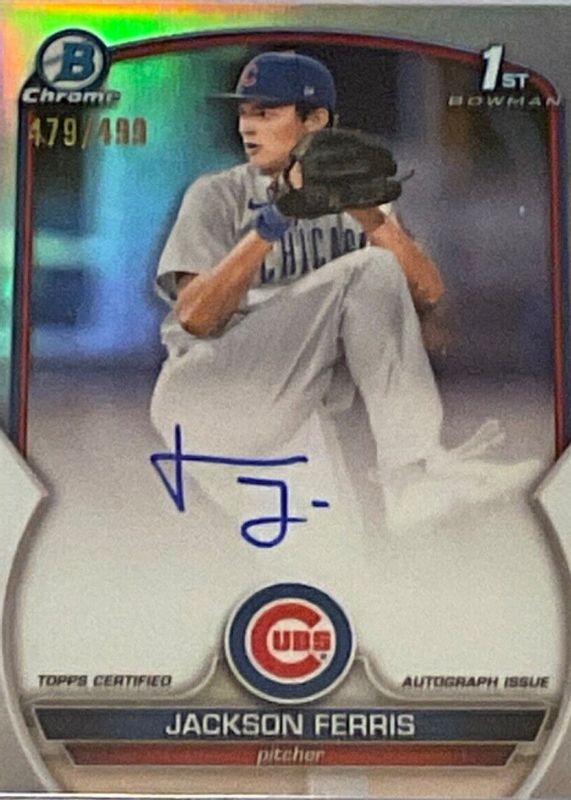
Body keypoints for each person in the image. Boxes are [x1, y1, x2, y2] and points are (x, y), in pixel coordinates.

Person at [151, 51, 539, 531]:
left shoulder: (353, 203)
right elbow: (195, 317)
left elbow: (428, 290)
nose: (247, 126)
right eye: (244, 112)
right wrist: (275, 219)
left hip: (285, 415)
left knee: (335, 563)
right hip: (206, 396)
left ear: (316, 120)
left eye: (266, 113)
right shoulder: (217, 194)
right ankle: (411, 476)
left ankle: (414, 486)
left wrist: (370, 216)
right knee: (368, 270)